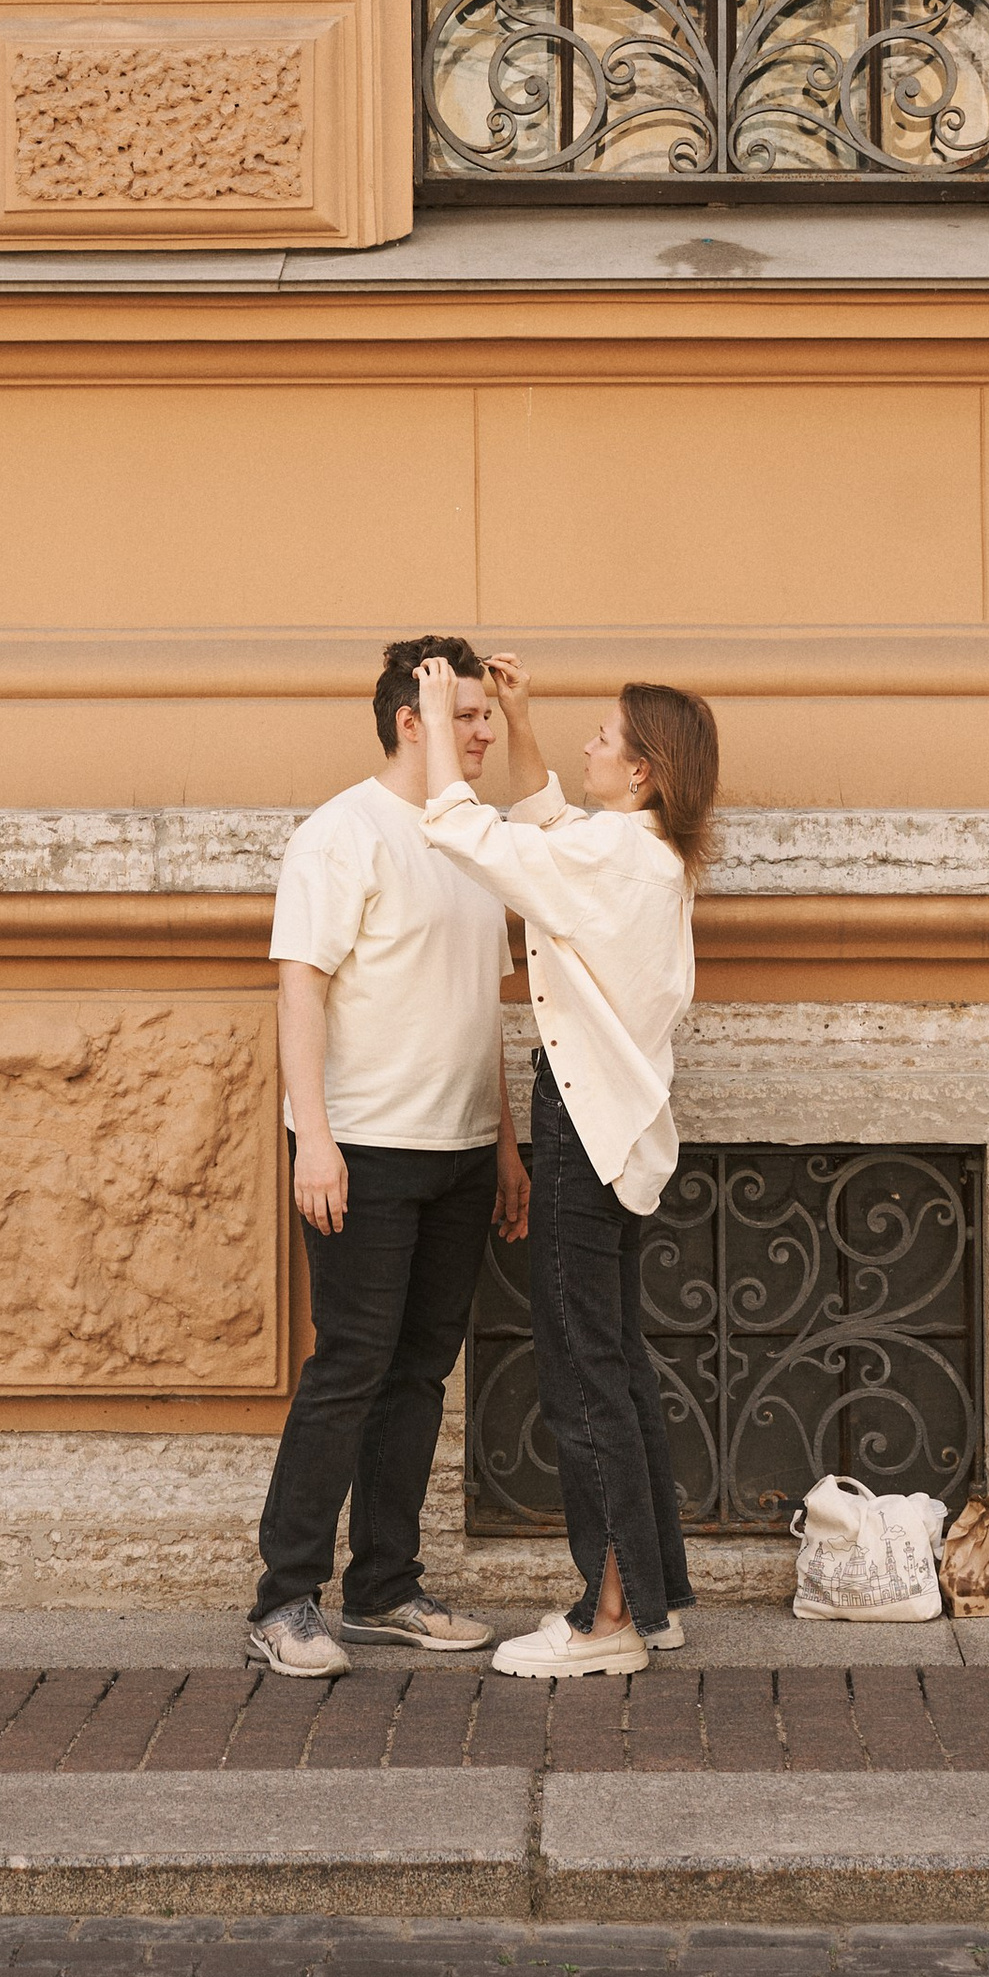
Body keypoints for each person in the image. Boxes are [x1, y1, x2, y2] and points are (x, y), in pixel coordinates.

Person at [414, 648, 718, 1680]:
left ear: (641, 774)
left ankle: (606, 1620)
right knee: (617, 1366)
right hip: (617, 1130)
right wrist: (523, 721)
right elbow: (550, 828)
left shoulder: (615, 861)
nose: (589, 747)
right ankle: (655, 1596)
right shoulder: (642, 853)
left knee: (581, 1379)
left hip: (585, 1132)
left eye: (604, 738)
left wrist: (429, 713)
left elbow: (473, 834)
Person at [246, 633, 530, 1678]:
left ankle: (383, 1588)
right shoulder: (342, 834)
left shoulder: (474, 839)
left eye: (488, 714)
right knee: (350, 1369)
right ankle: (283, 1601)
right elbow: (299, 987)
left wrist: (502, 1146)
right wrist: (312, 1139)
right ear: (411, 720)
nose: (483, 729)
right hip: (361, 1149)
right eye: (463, 714)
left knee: (418, 1375)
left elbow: (480, 1005)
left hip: (457, 1153)